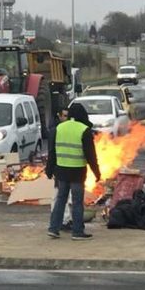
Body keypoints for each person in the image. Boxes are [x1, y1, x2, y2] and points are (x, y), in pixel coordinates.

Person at [46, 103, 101, 240]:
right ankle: (77, 231)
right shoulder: (84, 130)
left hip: (61, 171)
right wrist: (96, 172)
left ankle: (53, 228)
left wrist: (49, 169)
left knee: (60, 200)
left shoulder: (58, 128)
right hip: (77, 172)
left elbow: (52, 152)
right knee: (77, 202)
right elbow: (90, 155)